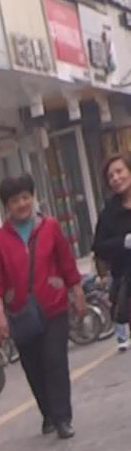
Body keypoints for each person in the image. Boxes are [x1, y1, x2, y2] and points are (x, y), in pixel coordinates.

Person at [0, 172, 85, 440]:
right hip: (20, 311)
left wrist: (77, 291)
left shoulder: (50, 226)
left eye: (25, 197)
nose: (22, 204)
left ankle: (63, 418)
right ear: (6, 206)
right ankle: (48, 413)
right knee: (33, 365)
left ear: (33, 197)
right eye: (15, 200)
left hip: (53, 305)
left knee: (55, 361)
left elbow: (66, 262)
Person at [92, 153, 131, 356]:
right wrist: (123, 242)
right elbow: (99, 246)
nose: (116, 178)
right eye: (110, 176)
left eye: (119, 171)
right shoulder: (109, 212)